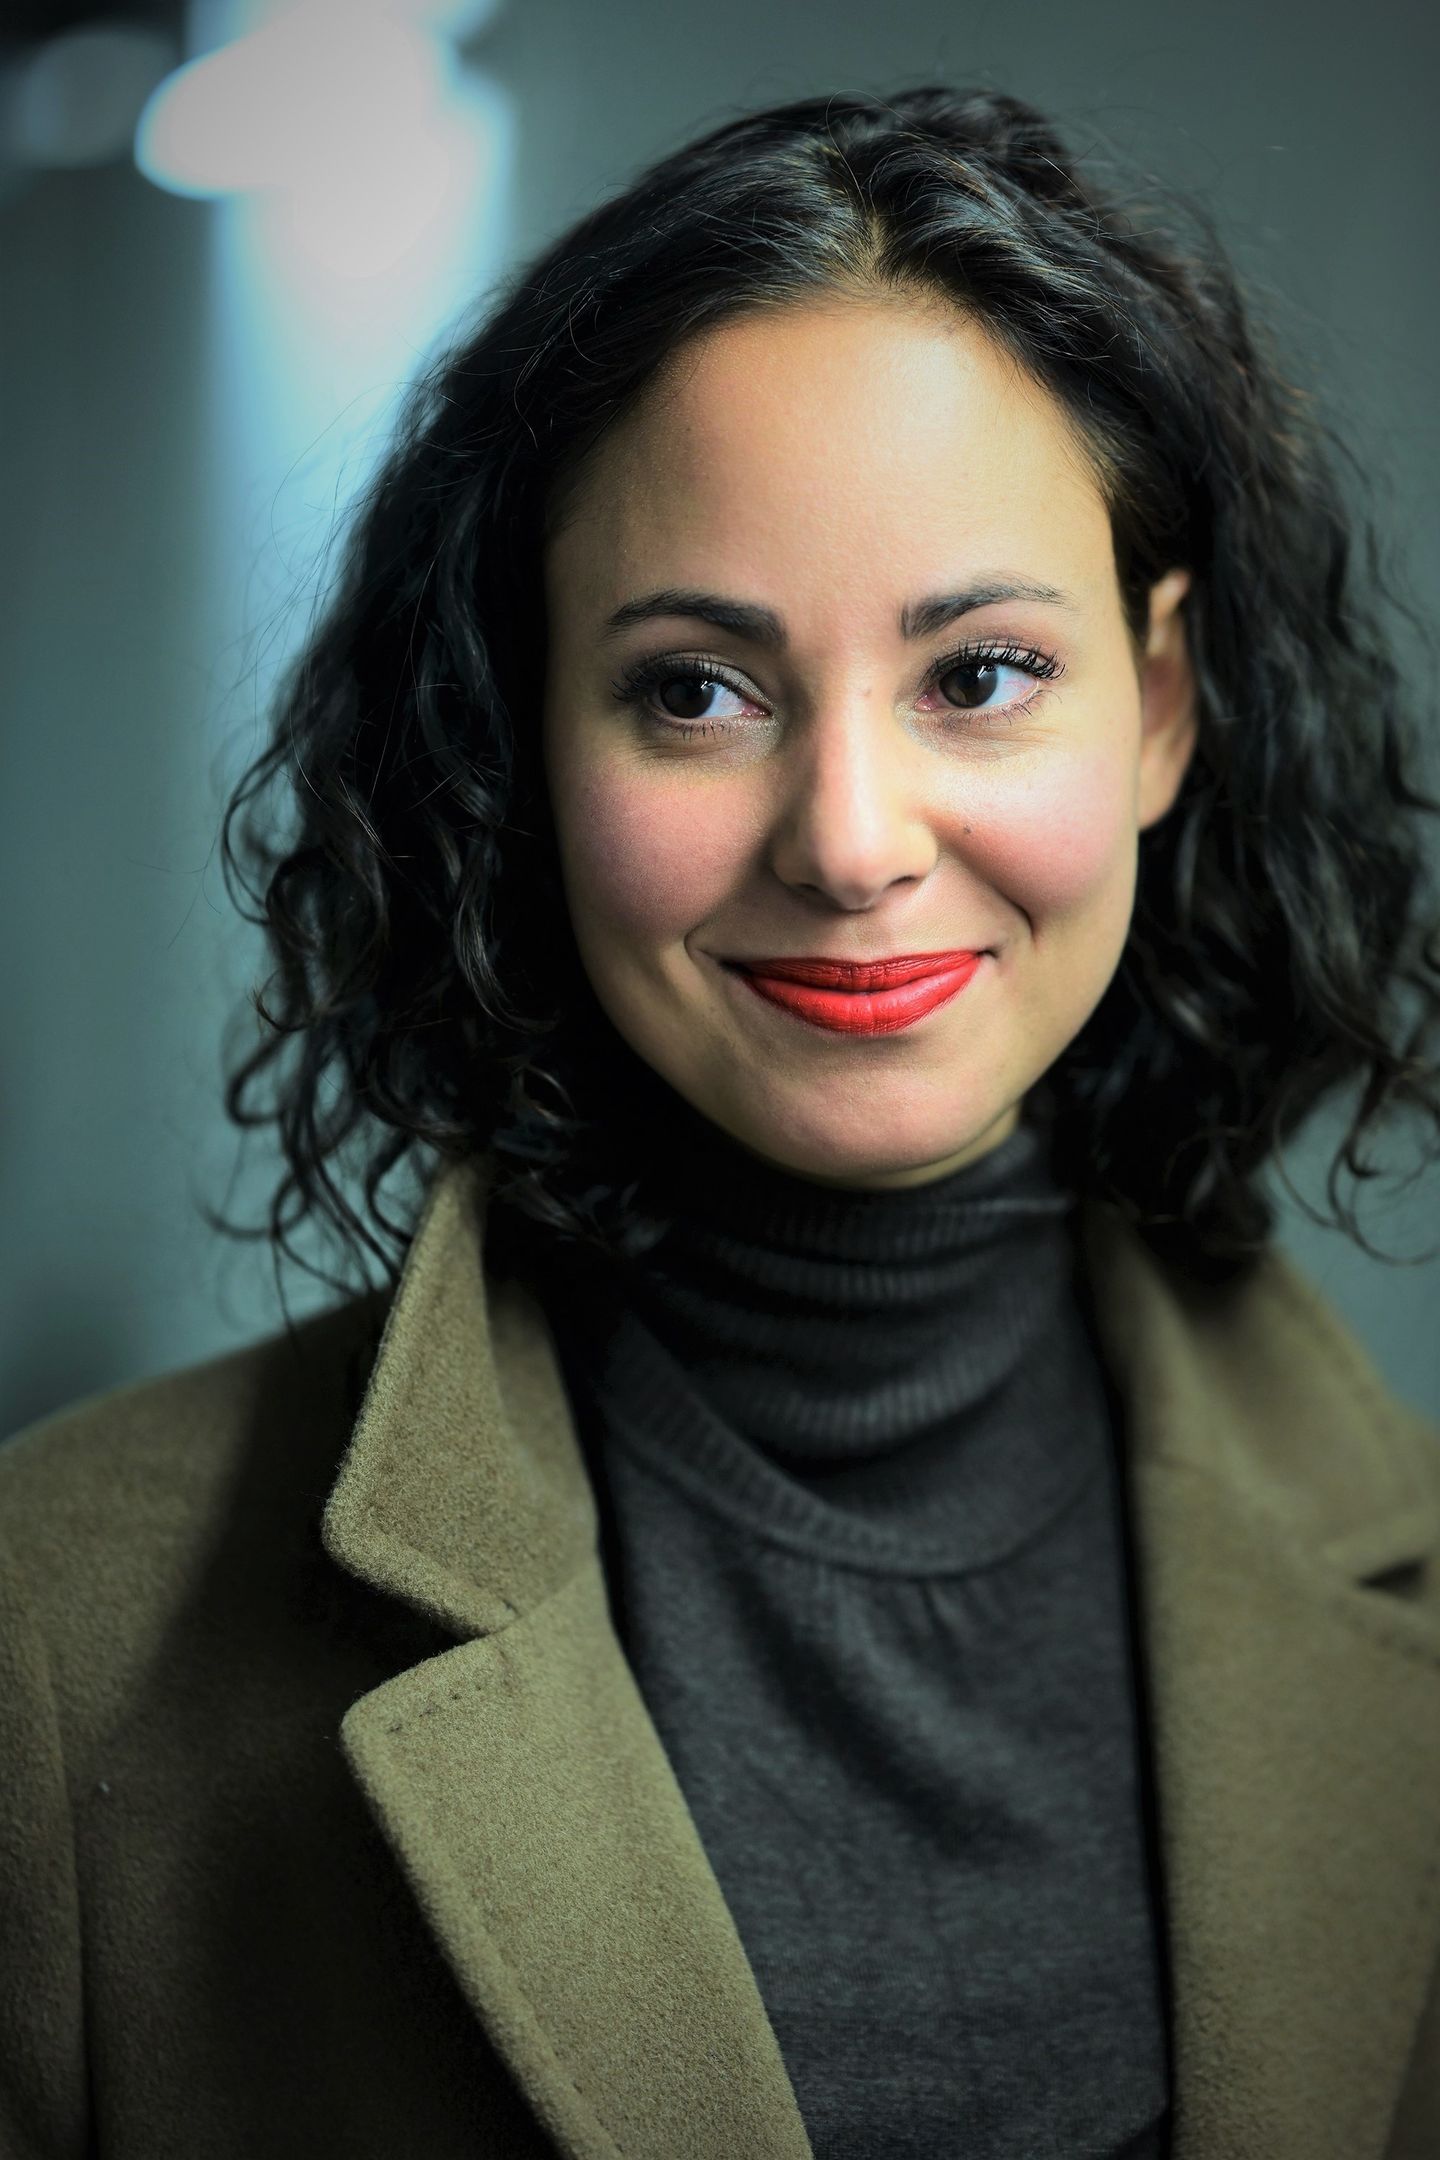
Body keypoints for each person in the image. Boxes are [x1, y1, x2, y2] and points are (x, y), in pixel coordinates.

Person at [2, 83, 1439, 2160]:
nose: (851, 842)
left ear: (1159, 703)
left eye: (980, 676)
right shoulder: (57, 1631)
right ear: (524, 735)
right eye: (695, 690)